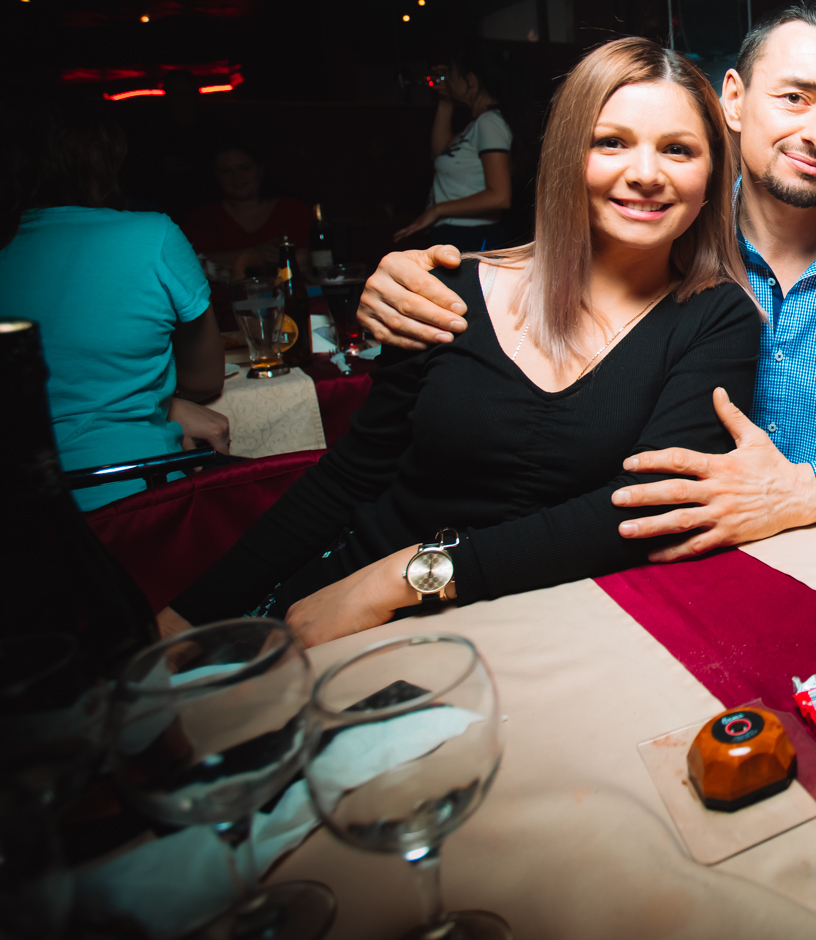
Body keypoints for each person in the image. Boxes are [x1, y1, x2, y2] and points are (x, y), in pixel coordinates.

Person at [355, 2, 816, 561]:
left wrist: (799, 492)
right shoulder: (660, 227)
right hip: (651, 569)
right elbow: (544, 271)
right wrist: (416, 274)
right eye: (794, 97)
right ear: (733, 98)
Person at [159, 38, 762, 647]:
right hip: (341, 601)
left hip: (522, 628)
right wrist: (189, 615)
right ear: (565, 154)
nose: (646, 174)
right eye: (611, 142)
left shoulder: (716, 317)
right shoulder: (446, 287)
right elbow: (353, 473)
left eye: (678, 149)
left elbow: (645, 507)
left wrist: (406, 577)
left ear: (713, 174)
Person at [0, 99, 230, 511]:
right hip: (134, 497)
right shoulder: (153, 235)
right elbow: (206, 379)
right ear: (103, 163)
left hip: (22, 515)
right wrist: (160, 399)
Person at [394, 52, 512, 251]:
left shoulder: (489, 122)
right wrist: (445, 101)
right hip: (457, 233)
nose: (447, 79)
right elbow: (439, 153)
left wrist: (437, 210)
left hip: (473, 235)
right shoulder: (475, 125)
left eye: (452, 74)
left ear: (471, 80)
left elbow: (500, 196)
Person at [178, 141, 313, 277]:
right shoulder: (203, 216)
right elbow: (188, 261)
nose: (236, 177)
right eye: (226, 171)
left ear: (260, 170)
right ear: (215, 176)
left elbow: (306, 260)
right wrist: (254, 255)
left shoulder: (291, 208)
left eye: (245, 168)